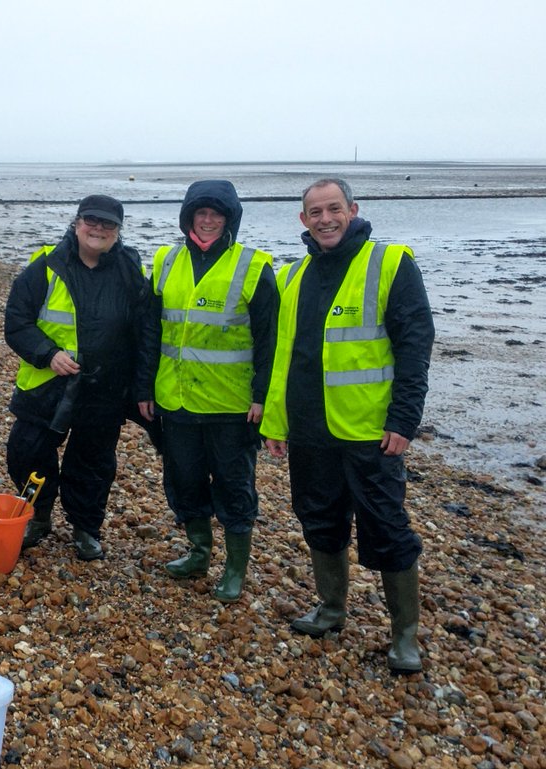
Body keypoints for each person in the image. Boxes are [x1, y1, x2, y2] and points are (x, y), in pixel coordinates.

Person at [261, 178, 434, 674]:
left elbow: (415, 346)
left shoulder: (391, 262)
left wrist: (404, 418)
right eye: (314, 212)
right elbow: (283, 360)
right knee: (319, 519)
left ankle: (405, 635)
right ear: (303, 221)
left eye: (333, 208)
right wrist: (276, 422)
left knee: (386, 528)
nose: (324, 219)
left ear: (353, 210)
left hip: (370, 432)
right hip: (311, 431)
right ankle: (332, 608)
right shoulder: (293, 275)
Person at [139, 180, 277, 602]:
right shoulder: (164, 260)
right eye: (200, 212)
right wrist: (143, 386)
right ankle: (199, 552)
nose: (208, 218)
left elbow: (271, 340)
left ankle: (235, 569)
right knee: (184, 480)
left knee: (235, 487)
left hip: (230, 406)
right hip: (175, 399)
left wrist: (263, 398)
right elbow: (149, 331)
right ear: (188, 216)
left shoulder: (254, 266)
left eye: (217, 212)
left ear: (230, 218)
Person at [6, 195, 149, 561]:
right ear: (76, 223)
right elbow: (17, 322)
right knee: (27, 450)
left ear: (118, 231)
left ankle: (86, 528)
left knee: (93, 461)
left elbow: (146, 328)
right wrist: (48, 353)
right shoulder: (45, 264)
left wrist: (140, 384)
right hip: (47, 383)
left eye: (108, 224)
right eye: (91, 221)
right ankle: (38, 515)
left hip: (104, 387)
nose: (98, 229)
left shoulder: (130, 269)